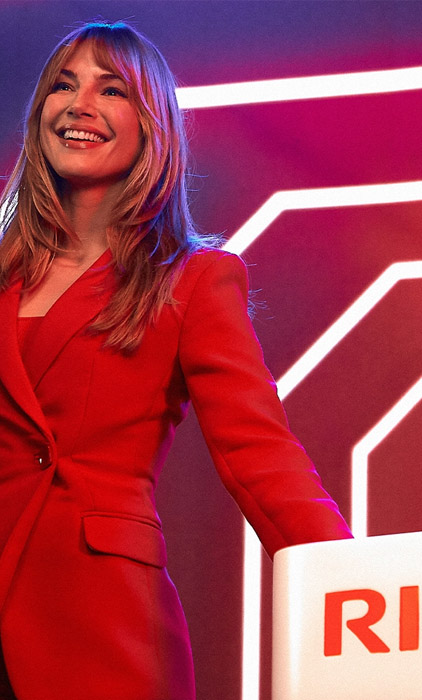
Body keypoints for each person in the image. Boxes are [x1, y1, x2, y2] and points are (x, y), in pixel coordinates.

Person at [0, 20, 352, 700]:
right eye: (63, 86)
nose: (79, 106)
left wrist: (354, 584)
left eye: (112, 91)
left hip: (98, 620)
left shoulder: (191, 280)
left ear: (152, 125)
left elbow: (260, 455)